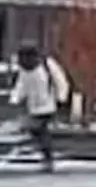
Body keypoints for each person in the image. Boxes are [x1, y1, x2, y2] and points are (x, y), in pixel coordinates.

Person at [8, 43, 72, 172]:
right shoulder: (25, 70)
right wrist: (15, 98)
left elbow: (60, 81)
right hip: (33, 106)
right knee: (38, 131)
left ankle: (47, 158)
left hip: (48, 104)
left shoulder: (47, 65)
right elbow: (21, 85)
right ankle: (47, 156)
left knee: (40, 129)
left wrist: (61, 98)